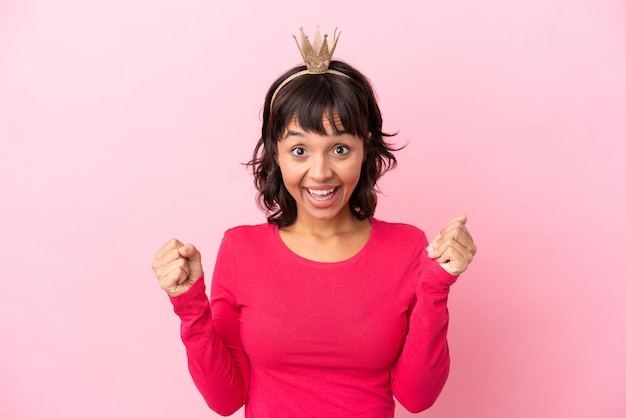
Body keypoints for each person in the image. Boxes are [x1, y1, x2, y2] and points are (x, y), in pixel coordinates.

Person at [152, 27, 476, 418]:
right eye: (300, 150)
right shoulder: (241, 249)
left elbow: (416, 396)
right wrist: (189, 303)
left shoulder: (408, 247)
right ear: (277, 154)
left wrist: (437, 286)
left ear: (365, 149)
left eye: (340, 148)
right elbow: (226, 400)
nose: (320, 172)